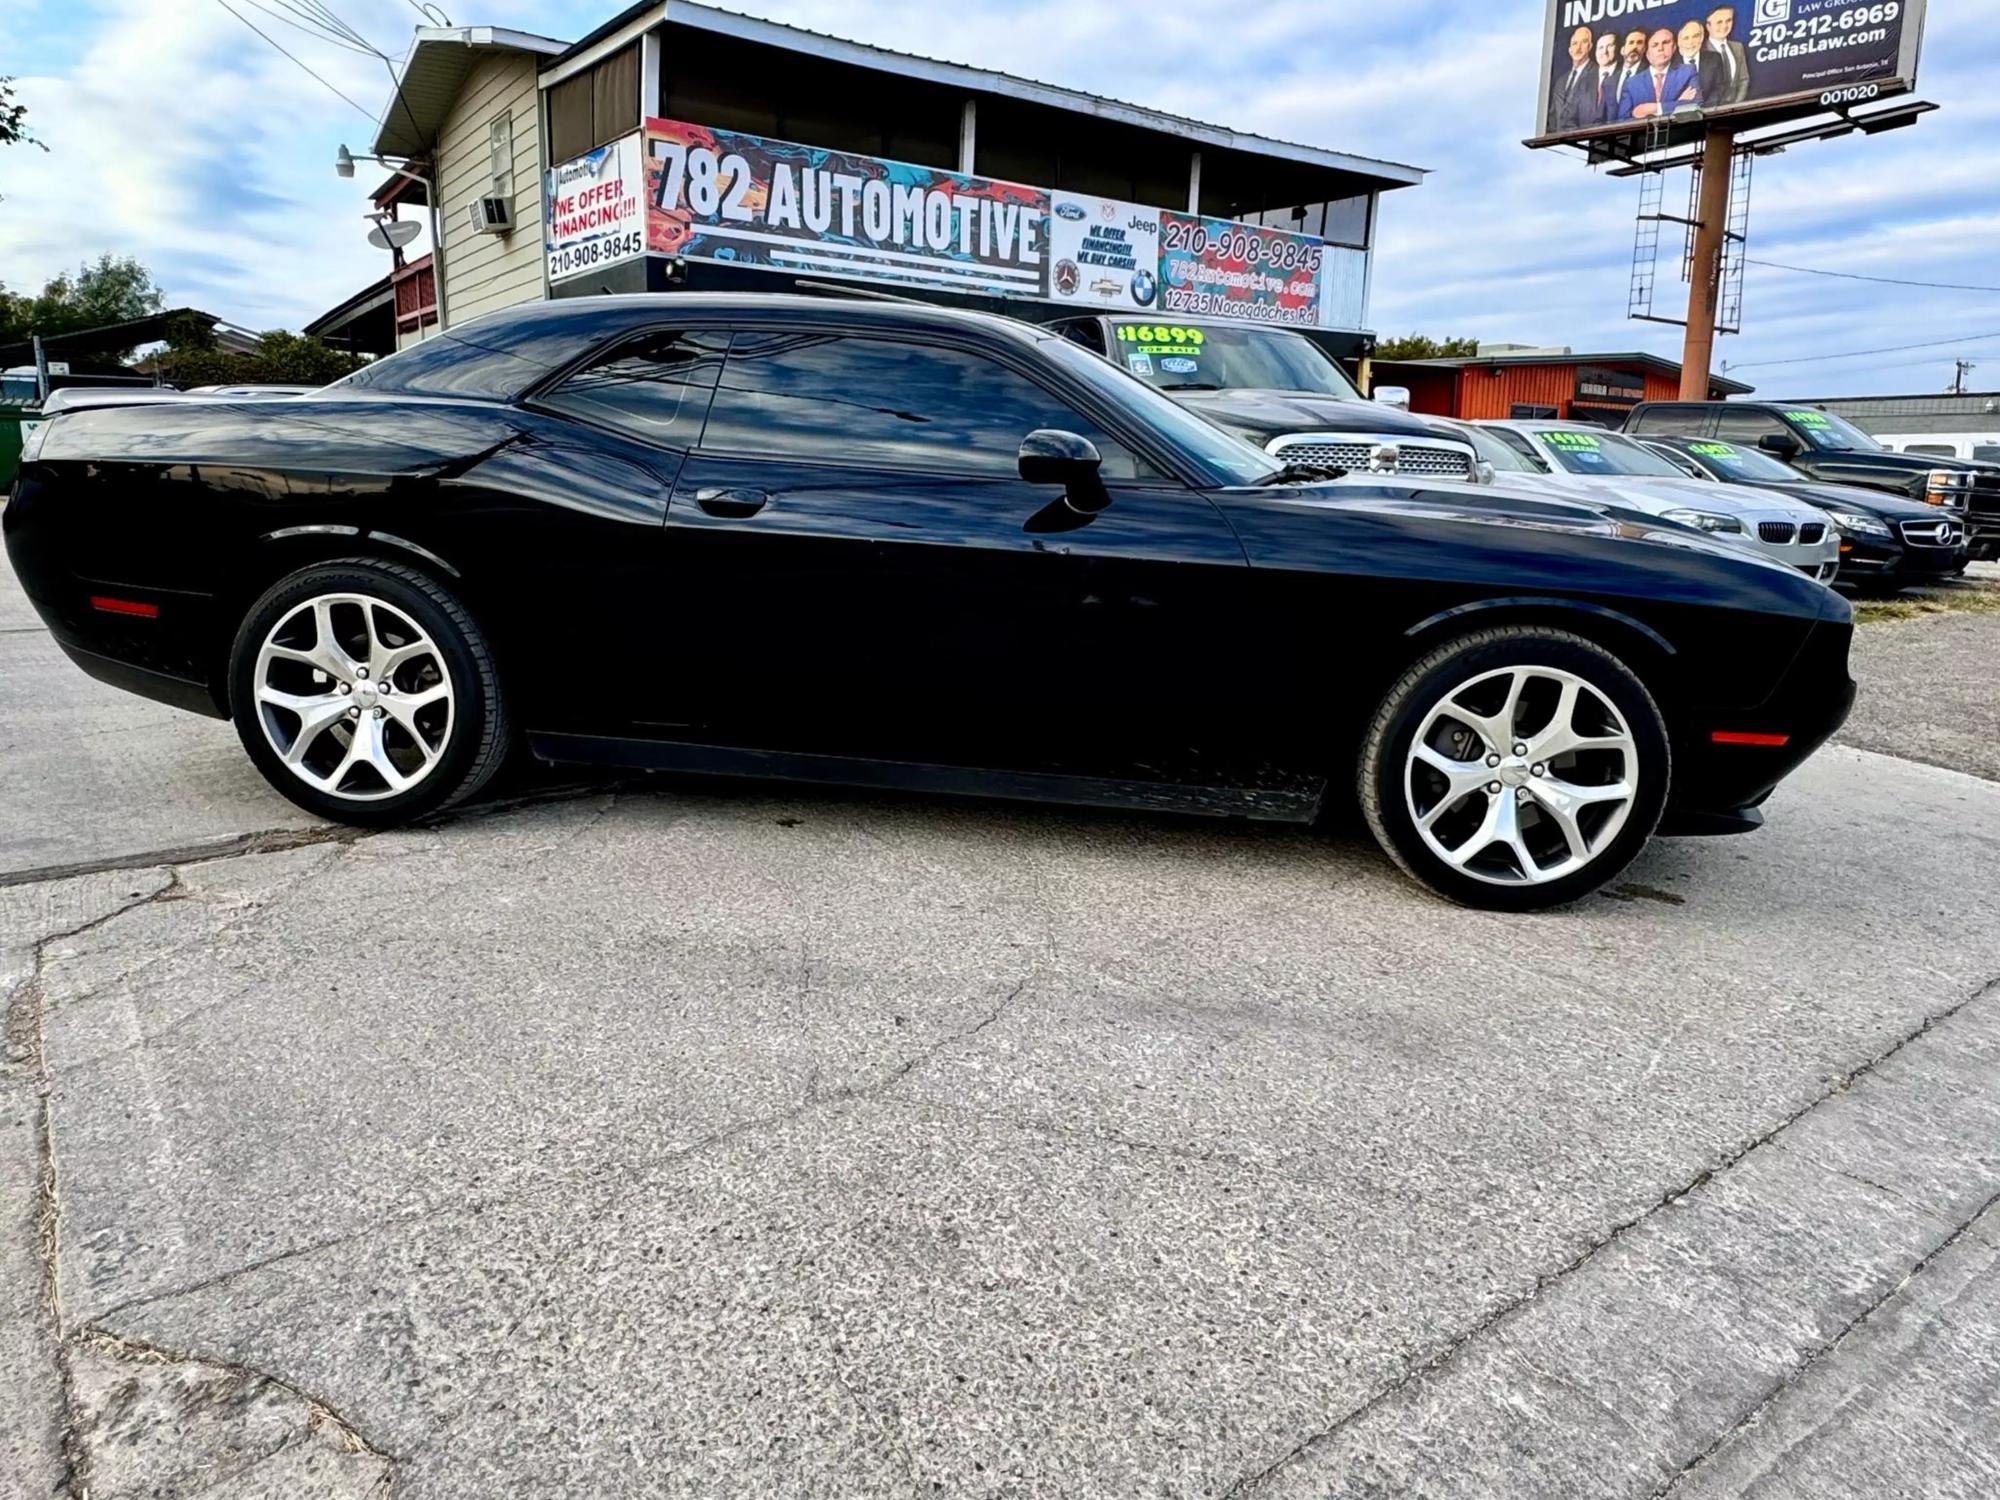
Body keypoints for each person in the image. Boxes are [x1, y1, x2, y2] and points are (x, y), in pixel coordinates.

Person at [1622, 27, 1699, 120]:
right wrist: (1679, 103)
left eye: (1665, 43)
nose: (1660, 48)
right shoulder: (1632, 83)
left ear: (1674, 47)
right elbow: (1622, 120)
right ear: (1647, 53)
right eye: (1655, 45)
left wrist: (1656, 108)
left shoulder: (1687, 71)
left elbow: (1696, 104)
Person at [1551, 25, 1599, 132]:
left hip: (1587, 132)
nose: (1578, 48)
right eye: (1574, 43)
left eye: (1584, 42)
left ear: (1590, 46)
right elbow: (1553, 114)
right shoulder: (1560, 81)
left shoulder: (1597, 73)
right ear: (1570, 49)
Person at [1705, 6, 1752, 106]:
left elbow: (1744, 79)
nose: (1724, 26)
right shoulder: (1702, 51)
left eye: (1728, 20)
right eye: (1719, 22)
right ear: (1708, 26)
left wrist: (1736, 105)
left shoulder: (1738, 47)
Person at [1609, 30, 1649, 120]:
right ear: (1622, 50)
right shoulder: (1609, 81)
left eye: (1639, 43)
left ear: (1645, 48)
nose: (1634, 47)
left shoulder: (1650, 75)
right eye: (1631, 43)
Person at [1592, 33, 1622, 124]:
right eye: (1600, 47)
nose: (1604, 51)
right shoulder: (1584, 81)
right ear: (1595, 52)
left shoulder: (1625, 76)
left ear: (1618, 49)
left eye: (1610, 46)